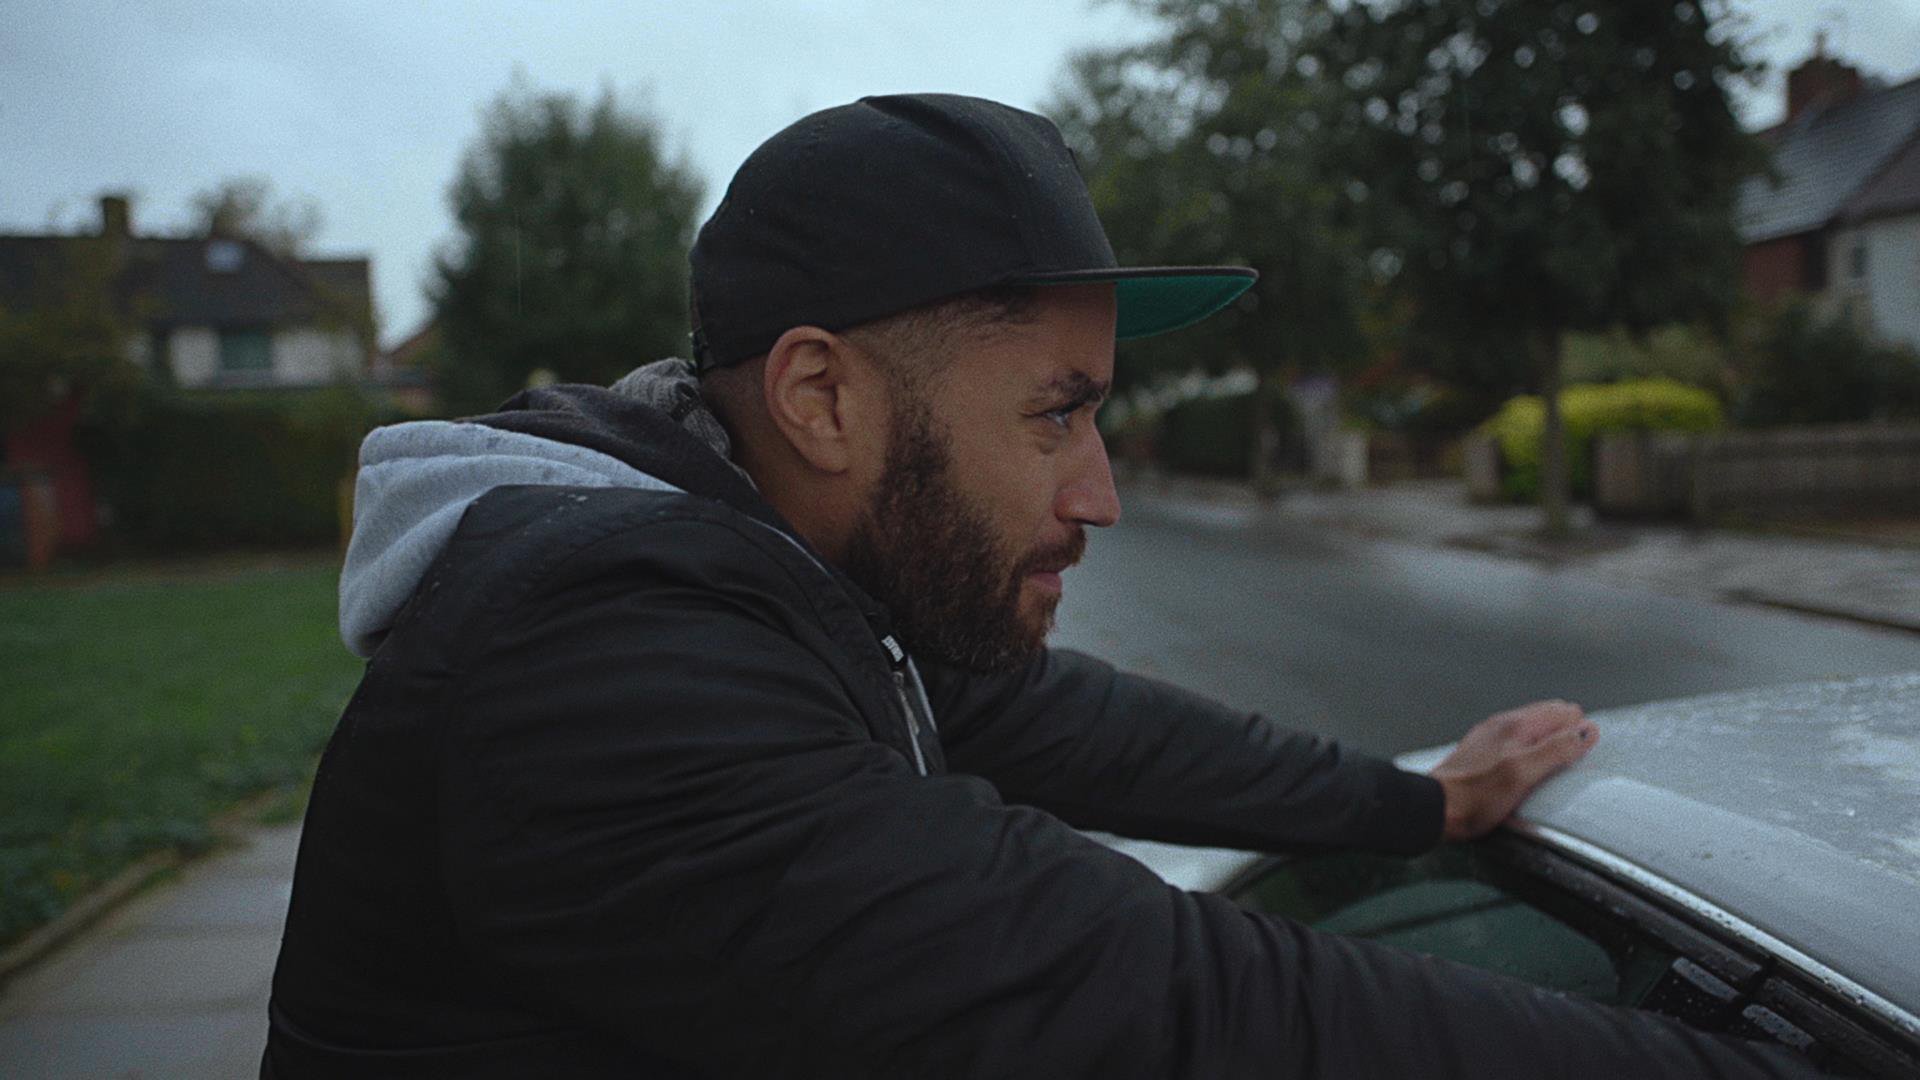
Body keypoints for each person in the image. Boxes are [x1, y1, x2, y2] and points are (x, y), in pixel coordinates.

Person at [263, 94, 1816, 1078]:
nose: (1103, 492)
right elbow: (1151, 1000)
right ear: (820, 399)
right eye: (1055, 411)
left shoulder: (763, 564)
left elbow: (1070, 726)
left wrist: (1423, 808)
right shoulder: (605, 675)